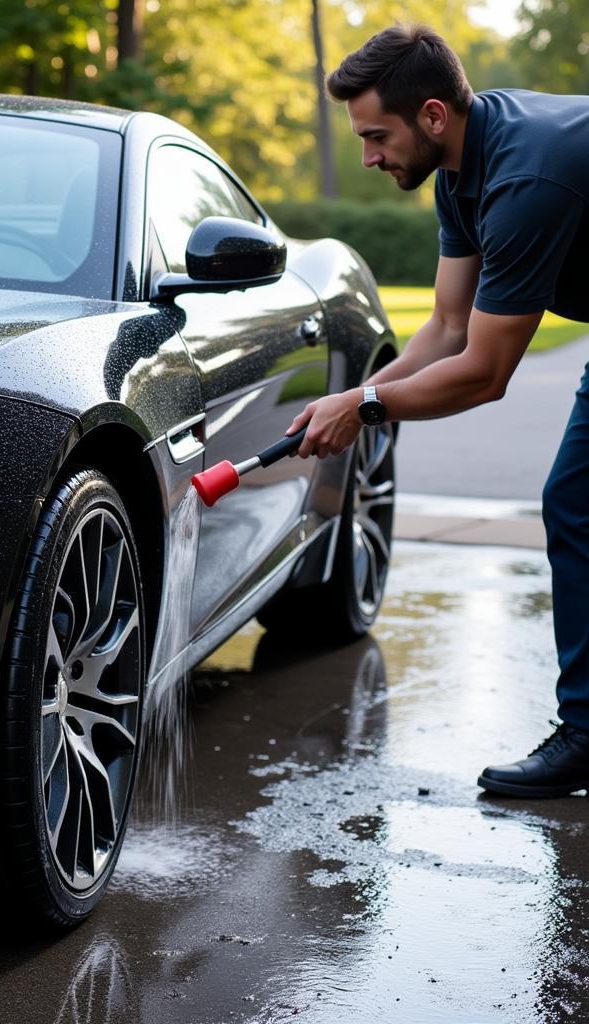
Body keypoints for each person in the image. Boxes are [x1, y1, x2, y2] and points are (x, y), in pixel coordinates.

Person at [286, 24, 589, 797]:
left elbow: (484, 373)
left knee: (576, 502)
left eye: (376, 135)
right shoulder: (460, 169)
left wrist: (367, 408)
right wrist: (352, 396)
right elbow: (450, 328)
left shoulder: (528, 177)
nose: (369, 157)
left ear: (429, 115)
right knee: (578, 505)